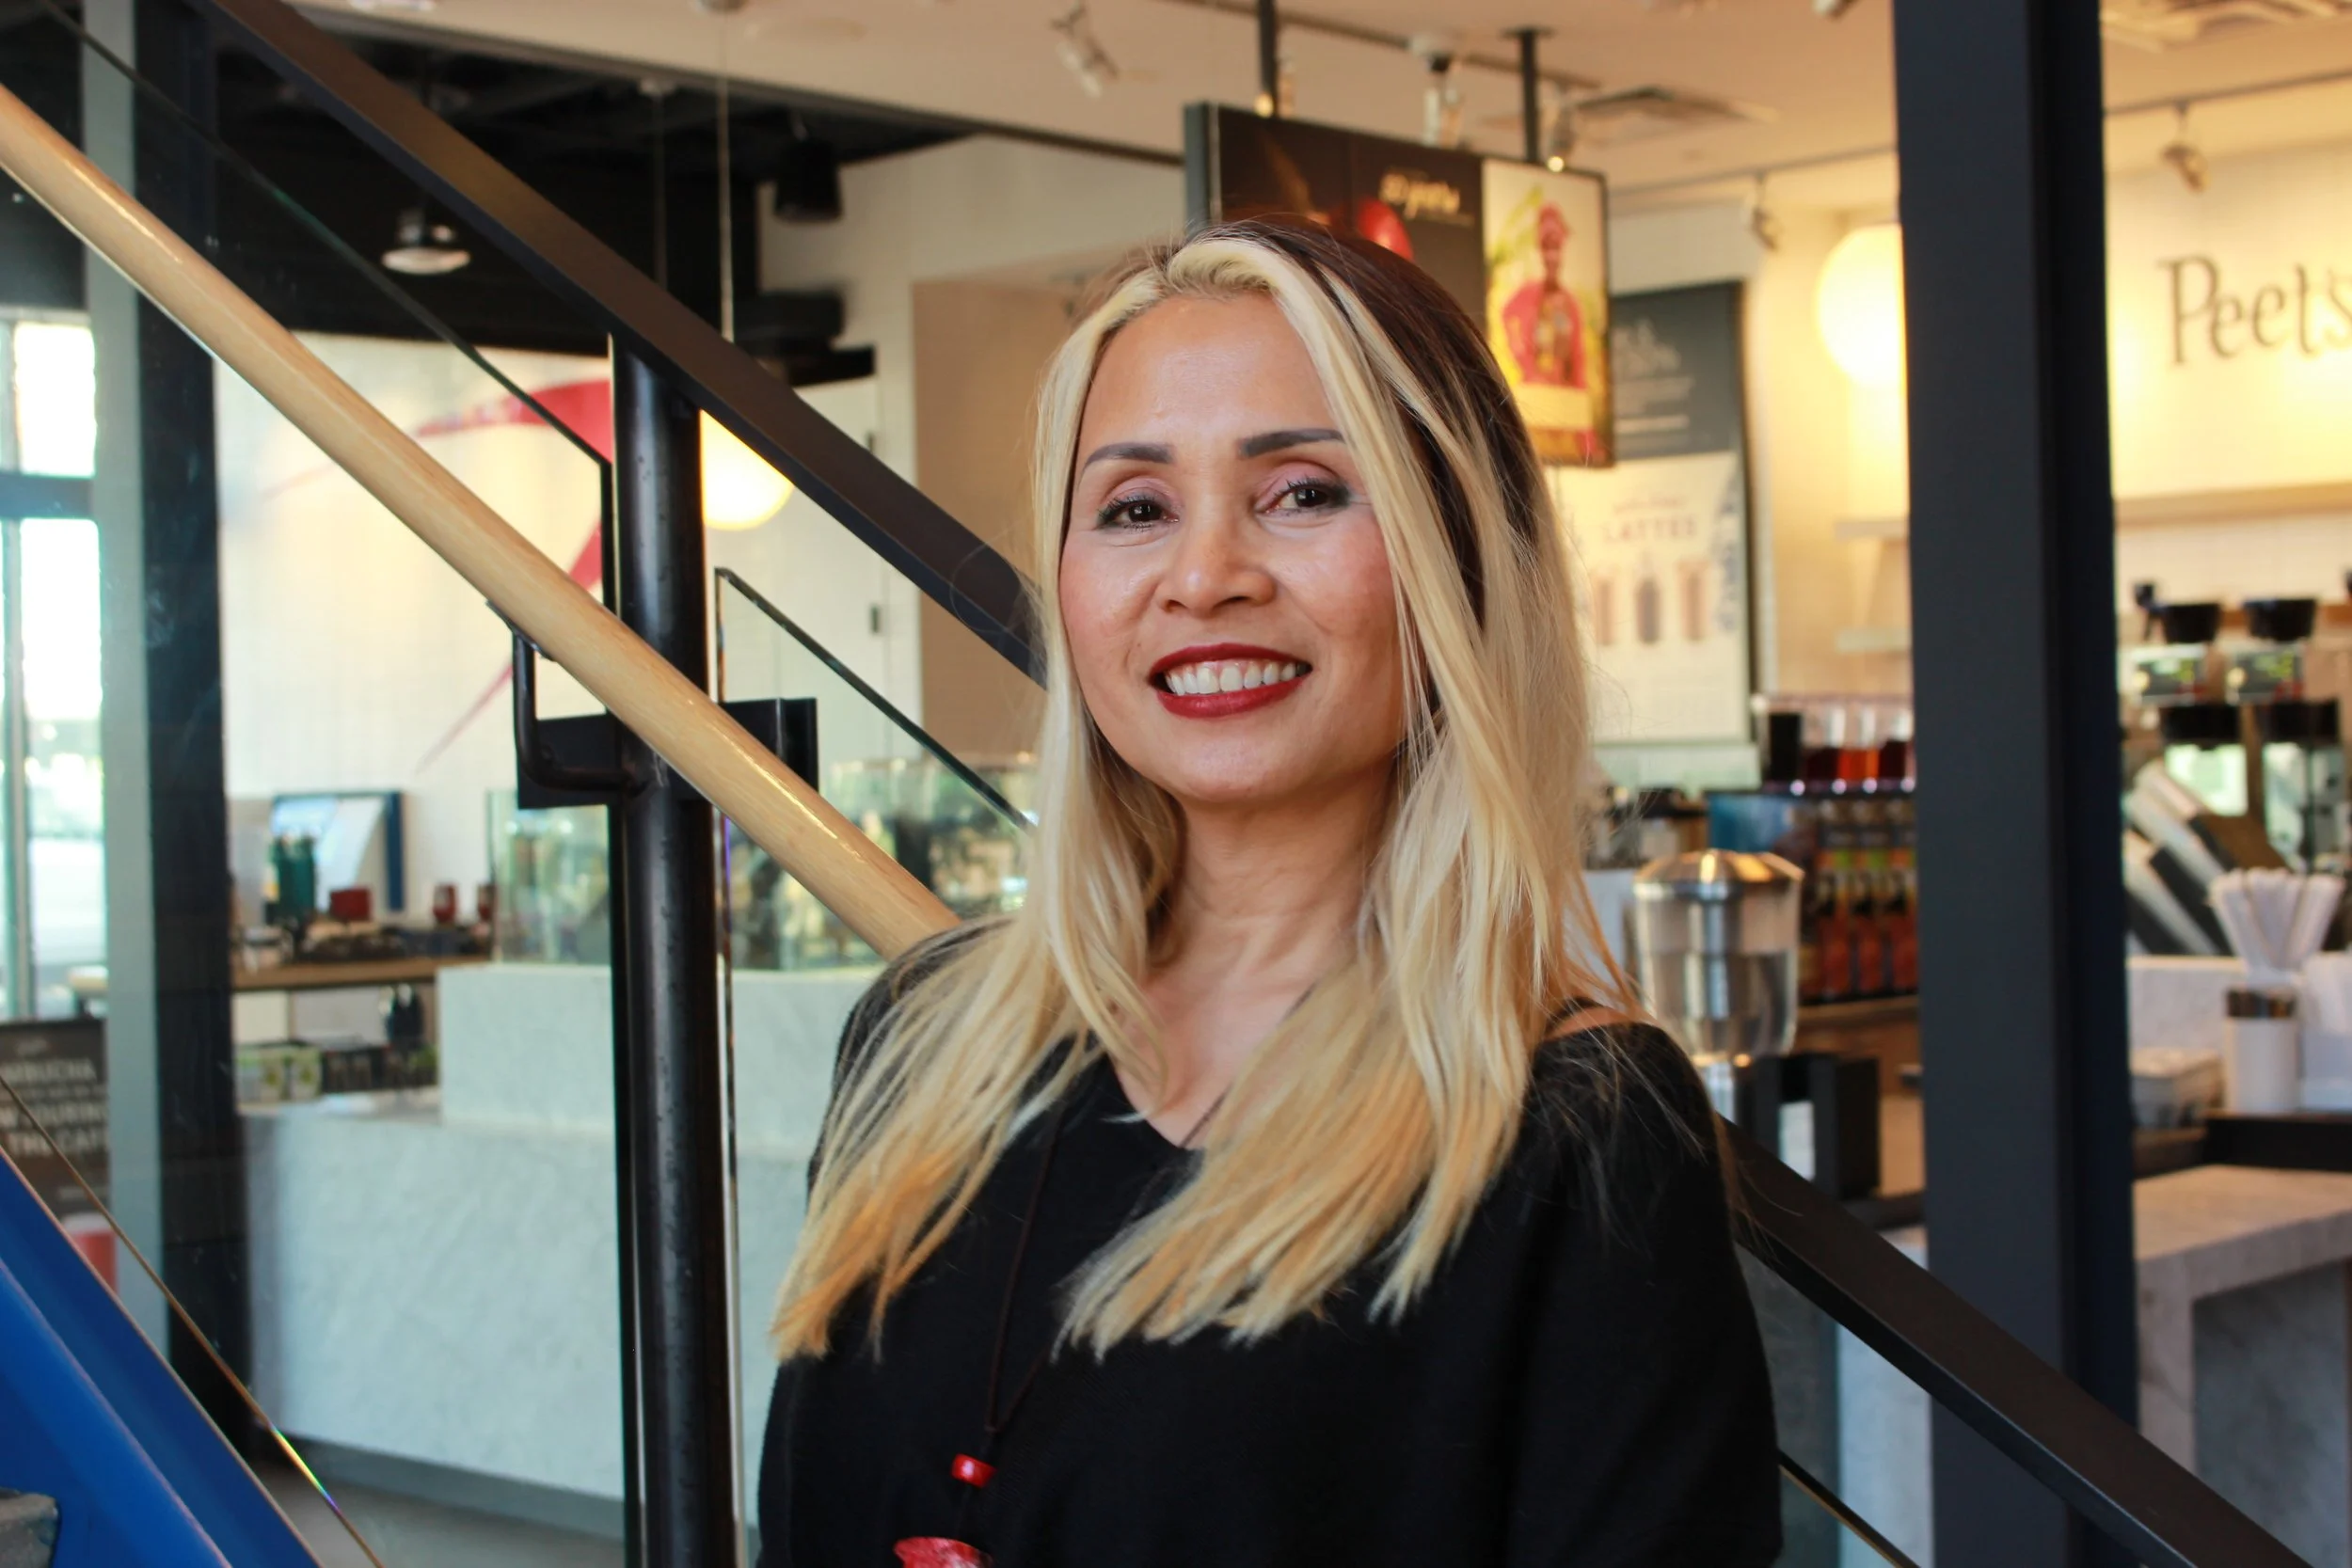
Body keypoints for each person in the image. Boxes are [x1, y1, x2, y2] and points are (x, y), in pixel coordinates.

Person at [756, 215, 1780, 1568]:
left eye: (1302, 491)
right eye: (1134, 508)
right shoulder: (923, 1037)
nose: (1204, 575)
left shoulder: (1570, 1131)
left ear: (1457, 556)